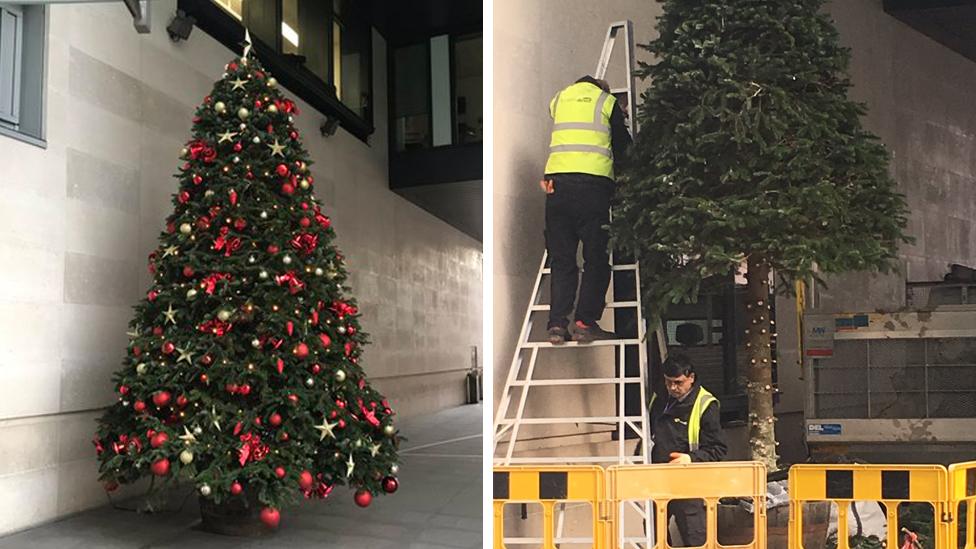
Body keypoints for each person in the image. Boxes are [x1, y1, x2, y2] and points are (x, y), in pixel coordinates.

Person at [541, 75, 633, 344]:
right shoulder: (606, 102)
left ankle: (557, 325)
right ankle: (584, 322)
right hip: (592, 187)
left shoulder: (560, 98)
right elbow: (622, 146)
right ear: (602, 88)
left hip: (556, 187)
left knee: (562, 260)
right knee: (595, 258)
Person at [649, 353, 727, 546]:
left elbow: (718, 448)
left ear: (691, 378)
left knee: (695, 537)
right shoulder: (659, 397)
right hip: (657, 477)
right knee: (654, 537)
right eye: (668, 382)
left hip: (690, 481)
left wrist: (690, 459)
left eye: (678, 382)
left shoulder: (706, 405)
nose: (673, 388)